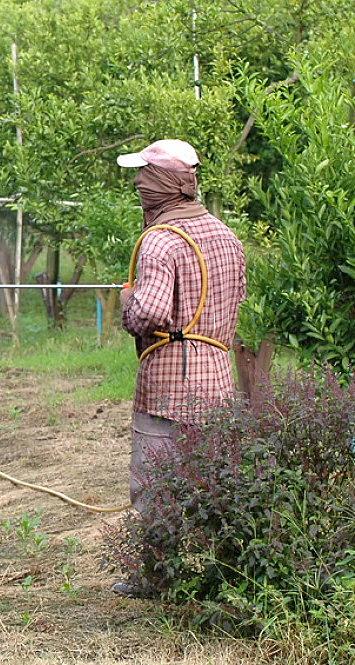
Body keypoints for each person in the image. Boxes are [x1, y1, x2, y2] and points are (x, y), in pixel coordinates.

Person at [113, 139, 246, 596]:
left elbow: (147, 314)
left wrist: (127, 301)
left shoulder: (158, 241)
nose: (136, 183)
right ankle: (225, 574)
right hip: (218, 381)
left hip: (168, 385)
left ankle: (155, 579)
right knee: (215, 481)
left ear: (164, 185)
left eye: (144, 176)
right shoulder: (227, 236)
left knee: (154, 486)